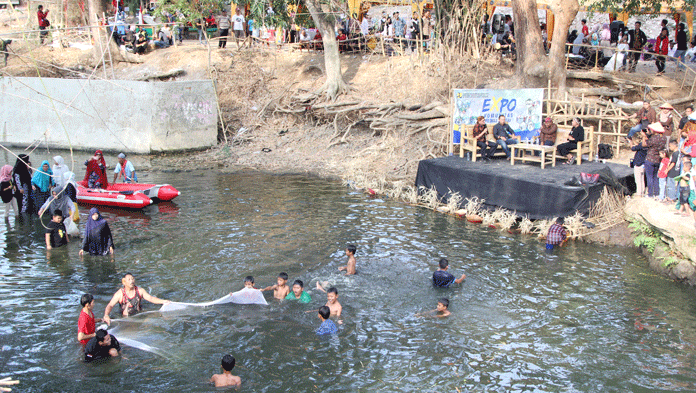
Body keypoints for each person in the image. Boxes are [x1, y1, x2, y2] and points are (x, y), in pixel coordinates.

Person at [102, 272, 171, 324]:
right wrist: (106, 315)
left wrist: (163, 301)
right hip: (124, 318)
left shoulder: (140, 290)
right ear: (124, 282)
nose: (131, 281)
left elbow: (151, 298)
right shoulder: (120, 294)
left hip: (139, 315)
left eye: (132, 279)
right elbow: (110, 305)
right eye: (129, 280)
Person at [643, 122, 668, 198]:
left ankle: (650, 193)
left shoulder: (653, 138)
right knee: (656, 177)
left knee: (649, 177)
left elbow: (644, 144)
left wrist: (644, 137)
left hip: (650, 158)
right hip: (658, 159)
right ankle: (656, 192)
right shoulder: (664, 138)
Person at [631, 133, 648, 197]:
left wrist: (630, 142)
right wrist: (633, 140)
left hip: (638, 164)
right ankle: (642, 191)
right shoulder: (648, 144)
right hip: (643, 164)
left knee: (638, 180)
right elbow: (638, 146)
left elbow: (633, 148)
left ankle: (639, 193)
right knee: (642, 179)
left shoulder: (642, 145)